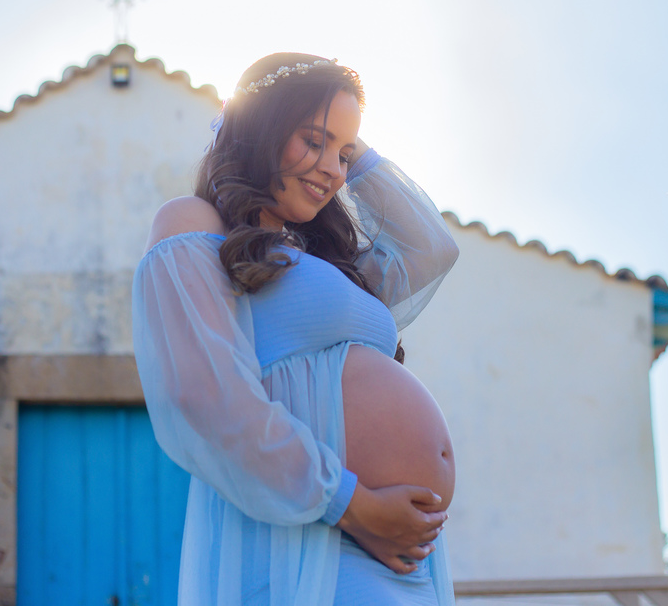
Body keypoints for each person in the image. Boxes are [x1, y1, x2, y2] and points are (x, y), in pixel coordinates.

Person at [132, 52, 460, 605]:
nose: (334, 169)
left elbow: (430, 248)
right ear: (259, 131)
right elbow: (207, 399)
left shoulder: (330, 265)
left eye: (344, 153)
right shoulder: (194, 224)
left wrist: (343, 143)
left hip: (398, 551)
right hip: (310, 546)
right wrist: (353, 505)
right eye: (313, 140)